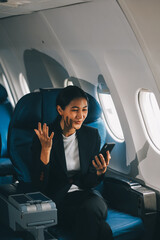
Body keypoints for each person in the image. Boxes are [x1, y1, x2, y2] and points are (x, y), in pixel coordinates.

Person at [32, 86, 113, 240]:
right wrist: (45, 151)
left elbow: (89, 182)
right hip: (59, 201)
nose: (81, 116)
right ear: (60, 110)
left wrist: (99, 172)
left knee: (90, 210)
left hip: (88, 197)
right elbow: (39, 184)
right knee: (102, 229)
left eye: (84, 109)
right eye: (75, 110)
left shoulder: (91, 135)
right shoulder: (44, 135)